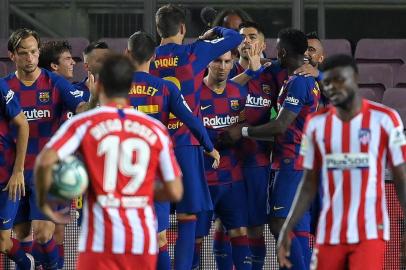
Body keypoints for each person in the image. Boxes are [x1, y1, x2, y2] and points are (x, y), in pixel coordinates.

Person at [34, 54, 184, 270]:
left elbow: (45, 161)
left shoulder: (83, 124)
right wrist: (138, 190)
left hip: (99, 242)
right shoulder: (155, 129)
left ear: (99, 84)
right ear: (130, 86)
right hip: (140, 240)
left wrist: (46, 203)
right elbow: (175, 190)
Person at [277, 54, 406, 270]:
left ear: (355, 78)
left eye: (340, 80)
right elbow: (308, 183)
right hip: (329, 233)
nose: (333, 87)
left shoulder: (385, 119)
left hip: (369, 232)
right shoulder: (315, 124)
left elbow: (401, 178)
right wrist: (287, 228)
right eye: (327, 82)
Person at [152, 4, 243, 269]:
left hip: (155, 148)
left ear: (158, 30)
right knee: (188, 216)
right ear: (183, 28)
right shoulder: (194, 53)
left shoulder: (149, 56)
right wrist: (214, 29)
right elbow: (235, 38)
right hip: (186, 145)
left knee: (155, 222)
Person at [226, 28, 321, 270]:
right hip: (292, 158)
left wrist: (244, 131)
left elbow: (281, 125)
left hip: (292, 158)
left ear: (283, 51)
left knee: (278, 221)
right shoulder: (296, 78)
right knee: (295, 224)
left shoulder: (299, 82)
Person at [125, 31, 219, 270]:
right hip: (156, 170)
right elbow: (192, 120)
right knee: (158, 237)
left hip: (124, 171)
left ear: (127, 53)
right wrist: (210, 148)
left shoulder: (114, 88)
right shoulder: (165, 88)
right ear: (154, 55)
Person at [4, 28, 88, 269]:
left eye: (33, 52)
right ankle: (30, 263)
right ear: (12, 56)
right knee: (21, 237)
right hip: (16, 173)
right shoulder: (5, 88)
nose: (29, 58)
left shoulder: (55, 82)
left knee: (42, 233)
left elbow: (79, 104)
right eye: (23, 53)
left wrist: (88, 106)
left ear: (39, 52)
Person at [226, 21, 279, 270]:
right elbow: (217, 92)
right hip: (227, 161)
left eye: (252, 36)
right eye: (242, 37)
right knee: (227, 225)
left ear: (263, 44)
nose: (246, 41)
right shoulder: (224, 68)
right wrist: (251, 72)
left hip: (257, 161)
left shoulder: (273, 76)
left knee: (256, 227)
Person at [197, 51, 251, 270]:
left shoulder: (239, 92)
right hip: (202, 181)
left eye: (227, 62)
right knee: (196, 239)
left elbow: (246, 127)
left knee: (239, 233)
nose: (222, 66)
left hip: (232, 179)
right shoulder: (194, 94)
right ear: (208, 62)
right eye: (218, 61)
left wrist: (240, 131)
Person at [38, 39, 79, 269]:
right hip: (39, 169)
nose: (72, 62)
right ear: (53, 66)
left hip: (63, 171)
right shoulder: (45, 89)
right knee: (42, 233)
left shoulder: (71, 91)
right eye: (67, 59)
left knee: (59, 230)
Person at [0, 79, 31, 269]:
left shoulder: (1, 87)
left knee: (3, 243)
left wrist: (18, 171)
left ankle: (27, 263)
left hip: (5, 176)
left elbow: (23, 124)